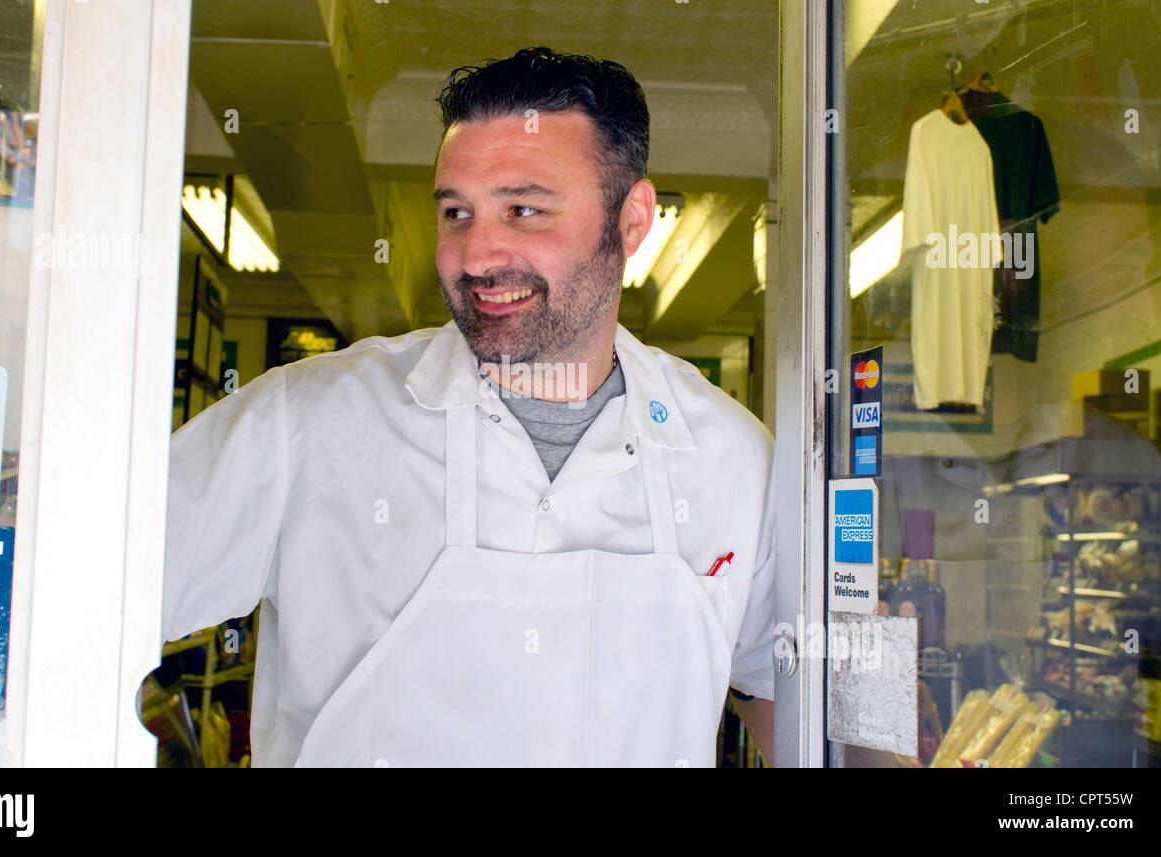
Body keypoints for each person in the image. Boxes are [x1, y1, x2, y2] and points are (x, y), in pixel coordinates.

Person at [162, 46, 777, 767]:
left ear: (631, 221)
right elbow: (77, 592)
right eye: (456, 212)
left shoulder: (732, 456)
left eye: (524, 209)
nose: (476, 254)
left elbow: (776, 688)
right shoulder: (304, 422)